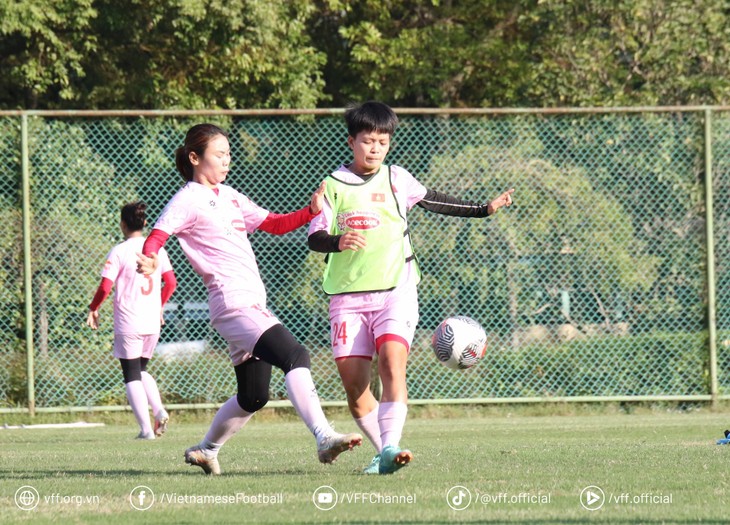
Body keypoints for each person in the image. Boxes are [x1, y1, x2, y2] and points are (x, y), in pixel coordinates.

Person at [136, 123, 362, 476]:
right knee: (294, 354)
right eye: (219, 154)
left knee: (254, 396)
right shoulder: (188, 198)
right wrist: (150, 257)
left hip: (249, 304)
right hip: (232, 302)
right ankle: (323, 437)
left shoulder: (230, 196)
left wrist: (311, 210)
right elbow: (157, 235)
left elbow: (274, 224)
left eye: (229, 154)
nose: (227, 160)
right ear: (195, 158)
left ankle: (206, 450)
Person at [307, 101, 514, 474]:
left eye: (382, 142)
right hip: (347, 299)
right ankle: (382, 451)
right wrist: (336, 241)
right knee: (356, 393)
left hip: (396, 291)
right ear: (351, 141)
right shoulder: (332, 186)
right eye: (368, 141)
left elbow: (437, 201)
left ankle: (390, 447)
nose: (375, 148)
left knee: (391, 365)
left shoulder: (396, 178)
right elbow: (316, 236)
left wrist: (484, 209)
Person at [87, 201, 177, 440]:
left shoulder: (119, 251)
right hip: (151, 322)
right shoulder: (157, 250)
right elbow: (171, 282)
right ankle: (159, 410)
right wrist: (159, 306)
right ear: (145, 223)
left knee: (131, 375)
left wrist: (93, 308)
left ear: (123, 224)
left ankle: (146, 430)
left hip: (129, 321)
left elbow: (106, 286)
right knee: (141, 370)